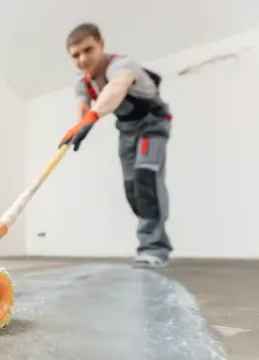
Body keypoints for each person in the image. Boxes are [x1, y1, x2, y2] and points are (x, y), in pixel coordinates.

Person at [59, 22, 173, 268]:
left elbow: (117, 87)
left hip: (152, 125)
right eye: (75, 55)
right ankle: (152, 233)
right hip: (127, 132)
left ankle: (153, 248)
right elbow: (84, 108)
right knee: (132, 189)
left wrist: (91, 118)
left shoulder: (122, 64)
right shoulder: (82, 82)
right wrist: (80, 127)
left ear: (101, 44)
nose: (82, 59)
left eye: (88, 50)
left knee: (146, 178)